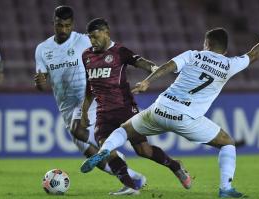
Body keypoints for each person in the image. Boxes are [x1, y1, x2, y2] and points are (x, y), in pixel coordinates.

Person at [81, 23, 259, 198]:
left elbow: (168, 66)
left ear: (206, 44)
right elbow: (255, 54)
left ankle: (105, 150)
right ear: (224, 51)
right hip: (187, 118)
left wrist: (147, 82)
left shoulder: (193, 55)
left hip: (161, 107)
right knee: (227, 143)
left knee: (124, 129)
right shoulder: (229, 64)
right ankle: (225, 189)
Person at [33, 5, 146, 193]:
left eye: (68, 26)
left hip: (90, 98)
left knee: (80, 131)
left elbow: (113, 51)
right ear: (53, 23)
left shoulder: (84, 40)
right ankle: (133, 177)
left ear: (73, 24)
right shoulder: (43, 49)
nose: (64, 30)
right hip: (66, 106)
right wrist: (39, 82)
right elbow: (41, 82)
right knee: (93, 156)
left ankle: (110, 149)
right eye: (59, 25)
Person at [78, 18, 191, 195]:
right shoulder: (86, 56)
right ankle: (130, 186)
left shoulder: (119, 51)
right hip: (103, 112)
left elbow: (140, 61)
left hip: (124, 109)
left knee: (143, 150)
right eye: (90, 38)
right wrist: (84, 111)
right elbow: (89, 86)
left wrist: (153, 69)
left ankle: (175, 165)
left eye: (95, 36)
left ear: (106, 32)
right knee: (106, 149)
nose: (92, 41)